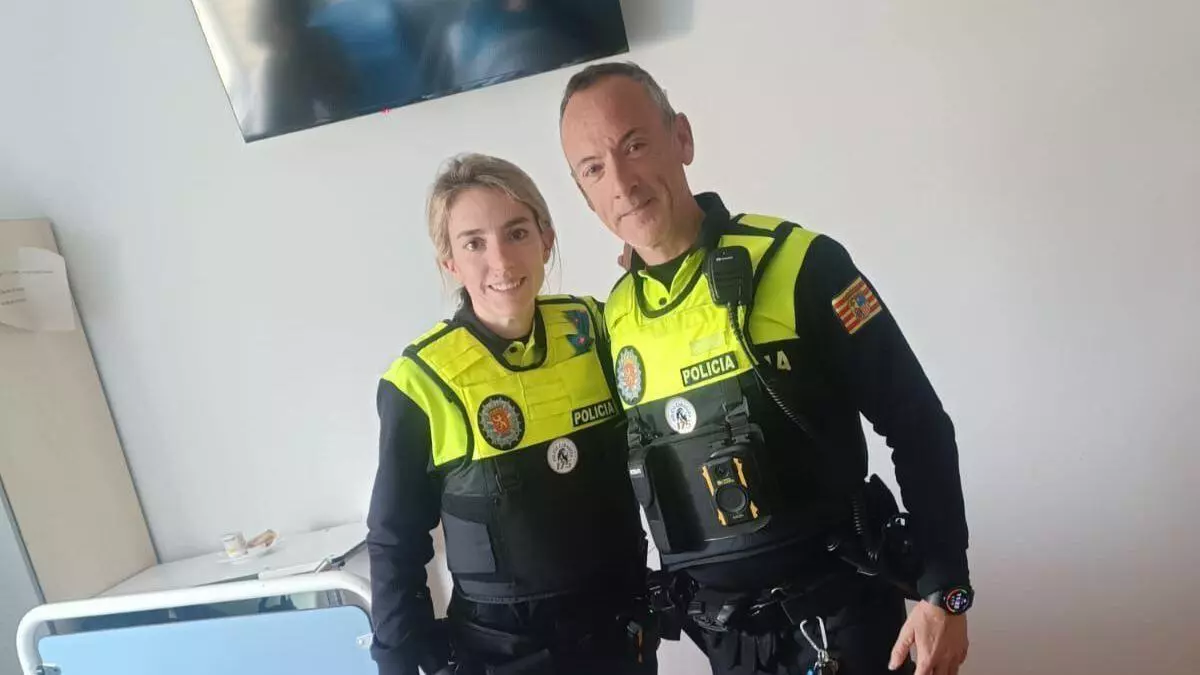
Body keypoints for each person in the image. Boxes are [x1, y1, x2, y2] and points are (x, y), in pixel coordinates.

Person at [558, 62, 973, 675]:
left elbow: (917, 423)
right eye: (593, 169)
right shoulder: (613, 320)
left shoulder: (802, 264)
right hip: (725, 646)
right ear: (584, 194)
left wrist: (946, 588)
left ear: (682, 138)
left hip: (845, 631)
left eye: (635, 145)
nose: (621, 182)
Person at [366, 153, 656, 675]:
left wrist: (653, 270)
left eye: (517, 233)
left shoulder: (596, 328)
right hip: (501, 653)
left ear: (546, 239)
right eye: (473, 243)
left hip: (619, 634)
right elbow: (395, 541)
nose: (500, 261)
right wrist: (402, 658)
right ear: (449, 262)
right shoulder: (420, 381)